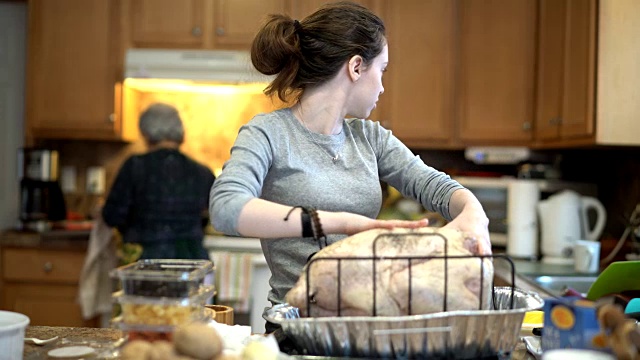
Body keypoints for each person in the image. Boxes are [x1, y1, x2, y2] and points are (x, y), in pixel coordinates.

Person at [209, 1, 490, 333]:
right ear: (356, 67)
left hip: (367, 331)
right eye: (382, 70)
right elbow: (226, 208)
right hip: (295, 329)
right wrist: (344, 222)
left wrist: (473, 211)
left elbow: (436, 187)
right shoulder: (268, 134)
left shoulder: (370, 138)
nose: (383, 86)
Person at [103, 102, 215, 260]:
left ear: (145, 133)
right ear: (181, 133)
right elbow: (214, 217)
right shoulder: (202, 172)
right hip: (192, 259)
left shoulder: (135, 166)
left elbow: (112, 215)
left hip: (145, 259)